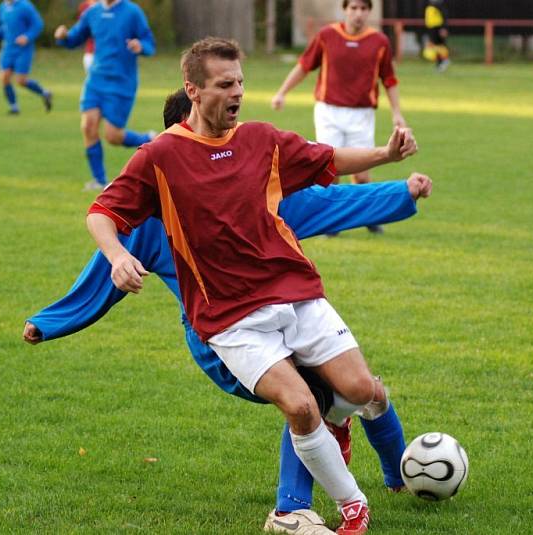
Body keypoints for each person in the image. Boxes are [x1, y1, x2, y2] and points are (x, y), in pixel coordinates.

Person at [25, 88, 429, 534]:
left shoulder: (251, 187)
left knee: (361, 388)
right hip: (216, 334)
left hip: (276, 305)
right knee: (309, 398)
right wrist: (50, 322)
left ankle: (400, 476)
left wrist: (400, 193)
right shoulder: (152, 212)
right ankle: (291, 509)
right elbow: (103, 273)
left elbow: (327, 202)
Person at [271, 0, 405, 235]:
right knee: (330, 165)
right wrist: (282, 92)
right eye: (353, 8)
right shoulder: (327, 35)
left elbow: (390, 80)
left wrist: (397, 113)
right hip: (328, 111)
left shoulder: (379, 42)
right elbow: (304, 66)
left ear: (369, 12)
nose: (358, 14)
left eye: (363, 9)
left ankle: (369, 216)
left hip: (362, 113)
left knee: (362, 173)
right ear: (345, 10)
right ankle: (332, 221)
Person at [54, 0, 157, 191]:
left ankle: (148, 140)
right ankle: (99, 180)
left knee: (113, 136)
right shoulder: (92, 12)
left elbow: (150, 42)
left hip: (122, 83)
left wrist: (140, 46)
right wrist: (63, 36)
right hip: (96, 80)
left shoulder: (132, 12)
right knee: (88, 126)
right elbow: (73, 39)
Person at [0, 0, 52, 115]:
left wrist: (27, 36)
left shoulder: (25, 6)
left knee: (21, 81)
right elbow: (1, 26)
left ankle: (44, 93)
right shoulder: (2, 7)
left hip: (23, 50)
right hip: (7, 48)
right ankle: (14, 107)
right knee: (4, 77)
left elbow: (38, 24)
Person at [424, 0, 450, 72]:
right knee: (435, 47)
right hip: (432, 28)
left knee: (440, 46)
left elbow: (444, 17)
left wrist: (444, 28)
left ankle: (444, 60)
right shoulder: (429, 4)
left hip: (438, 28)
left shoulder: (439, 4)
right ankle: (439, 64)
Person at [77, 0, 96, 73]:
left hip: (107, 54)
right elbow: (81, 28)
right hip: (90, 52)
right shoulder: (84, 6)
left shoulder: (110, 6)